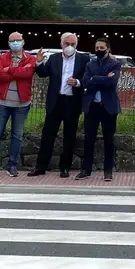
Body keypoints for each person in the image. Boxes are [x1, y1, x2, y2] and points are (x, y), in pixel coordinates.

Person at [28, 33, 89, 178]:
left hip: (72, 102)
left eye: (72, 44)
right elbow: (43, 73)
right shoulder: (54, 59)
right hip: (55, 101)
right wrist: (38, 63)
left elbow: (88, 78)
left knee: (69, 136)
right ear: (61, 44)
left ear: (76, 45)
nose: (69, 47)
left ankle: (65, 167)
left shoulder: (84, 59)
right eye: (66, 43)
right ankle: (41, 166)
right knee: (47, 135)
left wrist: (78, 83)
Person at [0, 31, 37, 178]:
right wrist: (16, 71)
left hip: (21, 104)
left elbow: (27, 74)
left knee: (17, 136)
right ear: (8, 43)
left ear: (23, 41)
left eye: (17, 40)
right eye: (12, 40)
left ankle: (12, 165)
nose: (15, 43)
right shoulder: (3, 57)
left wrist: (10, 70)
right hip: (2, 102)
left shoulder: (30, 58)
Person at [77, 37, 121, 181]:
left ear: (108, 49)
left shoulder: (114, 64)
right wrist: (100, 78)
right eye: (97, 48)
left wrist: (94, 79)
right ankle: (86, 169)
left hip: (108, 107)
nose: (99, 50)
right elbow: (85, 82)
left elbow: (112, 82)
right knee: (89, 139)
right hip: (92, 106)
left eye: (102, 48)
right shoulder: (90, 64)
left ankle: (108, 170)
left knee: (109, 139)